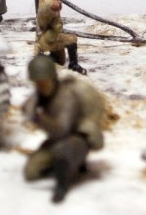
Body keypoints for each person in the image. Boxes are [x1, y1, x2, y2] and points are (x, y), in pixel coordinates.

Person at [23, 55, 105, 203]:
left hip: (77, 136)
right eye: (38, 83)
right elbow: (27, 107)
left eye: (44, 82)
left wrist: (38, 118)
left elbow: (62, 130)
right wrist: (30, 107)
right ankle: (60, 164)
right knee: (31, 172)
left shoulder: (66, 96)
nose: (42, 87)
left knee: (62, 153)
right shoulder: (42, 93)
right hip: (57, 138)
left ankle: (62, 184)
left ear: (52, 79)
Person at [35, 0, 86, 74]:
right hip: (47, 37)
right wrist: (51, 10)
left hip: (51, 35)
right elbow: (42, 18)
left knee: (60, 61)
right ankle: (73, 65)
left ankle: (46, 60)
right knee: (72, 39)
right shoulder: (49, 3)